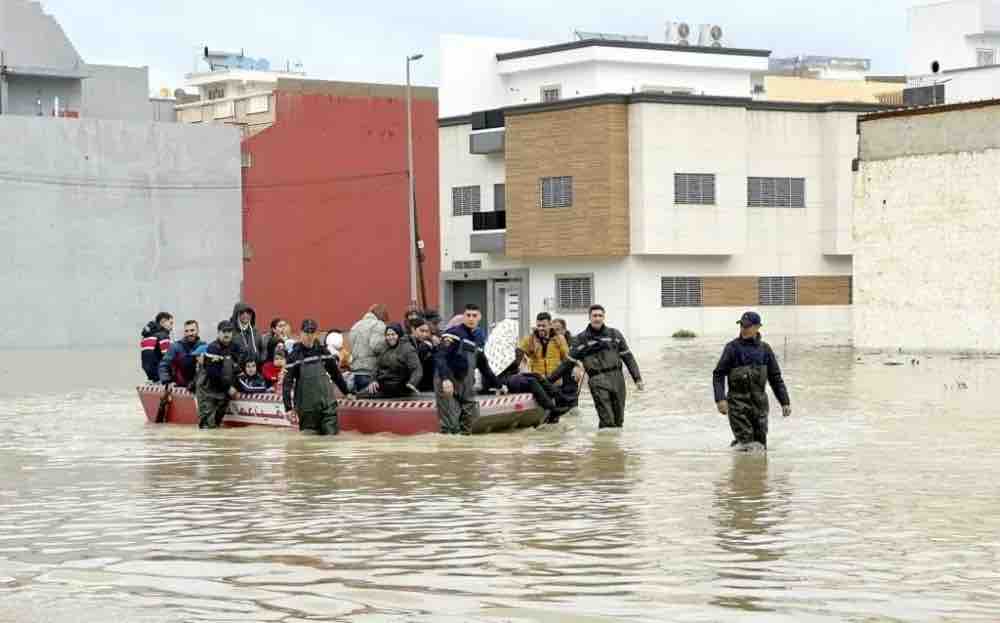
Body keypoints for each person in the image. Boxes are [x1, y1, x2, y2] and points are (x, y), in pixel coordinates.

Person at [551, 305, 644, 429]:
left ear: (604, 317)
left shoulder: (615, 335)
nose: (597, 318)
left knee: (618, 420)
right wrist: (548, 381)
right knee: (607, 419)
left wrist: (637, 379)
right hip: (597, 379)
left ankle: (611, 447)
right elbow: (566, 364)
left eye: (600, 315)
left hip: (617, 379)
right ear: (589, 317)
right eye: (594, 316)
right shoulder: (580, 340)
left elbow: (628, 357)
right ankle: (606, 443)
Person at [713, 311, 791, 450]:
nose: (743, 329)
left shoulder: (765, 349)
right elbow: (718, 375)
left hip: (759, 407)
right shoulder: (732, 348)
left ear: (757, 327)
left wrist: (784, 402)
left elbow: (775, 378)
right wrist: (720, 399)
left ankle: (746, 465)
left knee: (761, 446)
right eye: (742, 325)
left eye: (747, 326)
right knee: (749, 446)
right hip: (738, 406)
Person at [283, 318, 353, 436]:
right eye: (306, 332)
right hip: (306, 411)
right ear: (301, 333)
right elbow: (287, 384)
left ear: (317, 334)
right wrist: (288, 408)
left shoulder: (324, 352)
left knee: (332, 441)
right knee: (309, 445)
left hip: (327, 407)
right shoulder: (293, 357)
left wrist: (347, 392)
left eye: (312, 332)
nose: (309, 336)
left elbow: (335, 374)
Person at [434, 304, 495, 435]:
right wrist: (445, 379)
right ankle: (450, 451)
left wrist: (498, 384)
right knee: (451, 426)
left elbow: (483, 365)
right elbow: (440, 356)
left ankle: (466, 453)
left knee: (471, 418)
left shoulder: (479, 338)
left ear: (479, 317)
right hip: (447, 381)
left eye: (474, 315)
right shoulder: (453, 334)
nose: (471, 318)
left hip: (465, 383)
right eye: (468, 315)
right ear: (464, 317)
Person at [499, 349, 571, 424]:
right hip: (503, 378)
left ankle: (559, 396)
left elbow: (515, 369)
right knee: (531, 381)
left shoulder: (506, 352)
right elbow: (503, 370)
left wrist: (518, 358)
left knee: (537, 376)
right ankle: (552, 408)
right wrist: (515, 362)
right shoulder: (496, 357)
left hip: (512, 375)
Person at [196, 321, 244, 429]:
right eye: (224, 331)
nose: (227, 334)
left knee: (217, 425)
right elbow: (213, 373)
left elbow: (238, 368)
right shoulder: (213, 348)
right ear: (218, 333)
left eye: (229, 331)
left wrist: (237, 386)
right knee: (207, 426)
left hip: (223, 392)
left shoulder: (235, 347)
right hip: (208, 391)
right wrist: (229, 388)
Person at [367, 324, 422, 398]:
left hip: (401, 386)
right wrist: (373, 380)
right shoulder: (384, 348)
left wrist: (412, 383)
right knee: (360, 396)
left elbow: (417, 369)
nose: (390, 337)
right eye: (388, 335)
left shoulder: (407, 349)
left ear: (399, 335)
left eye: (393, 334)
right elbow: (376, 367)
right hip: (384, 384)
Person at [349, 304, 389, 393]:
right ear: (382, 315)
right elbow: (377, 346)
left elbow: (351, 346)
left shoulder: (356, 325)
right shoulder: (378, 325)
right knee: (376, 403)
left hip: (356, 371)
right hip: (371, 372)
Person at [158, 320, 205, 390]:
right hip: (179, 388)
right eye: (187, 331)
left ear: (198, 330)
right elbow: (164, 365)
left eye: (192, 330)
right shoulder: (175, 347)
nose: (189, 333)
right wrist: (167, 381)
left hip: (198, 388)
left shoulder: (204, 346)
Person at [519, 312, 569, 377]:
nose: (540, 328)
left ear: (550, 325)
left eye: (543, 326)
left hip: (555, 380)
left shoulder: (559, 339)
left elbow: (567, 358)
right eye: (538, 326)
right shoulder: (530, 339)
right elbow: (519, 354)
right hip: (537, 380)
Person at [551, 318, 581, 409]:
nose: (555, 332)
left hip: (570, 381)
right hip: (556, 382)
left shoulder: (573, 342)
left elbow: (580, 357)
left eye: (558, 330)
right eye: (553, 330)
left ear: (564, 330)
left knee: (572, 411)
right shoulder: (550, 342)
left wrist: (577, 367)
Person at [140, 312, 174, 382]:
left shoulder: (146, 336)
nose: (172, 327)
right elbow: (168, 358)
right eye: (171, 323)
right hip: (161, 374)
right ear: (163, 322)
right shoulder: (163, 335)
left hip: (149, 374)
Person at [411, 319, 437, 392]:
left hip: (429, 386)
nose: (424, 334)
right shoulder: (408, 343)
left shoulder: (429, 344)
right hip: (416, 386)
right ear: (413, 330)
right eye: (422, 331)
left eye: (426, 331)